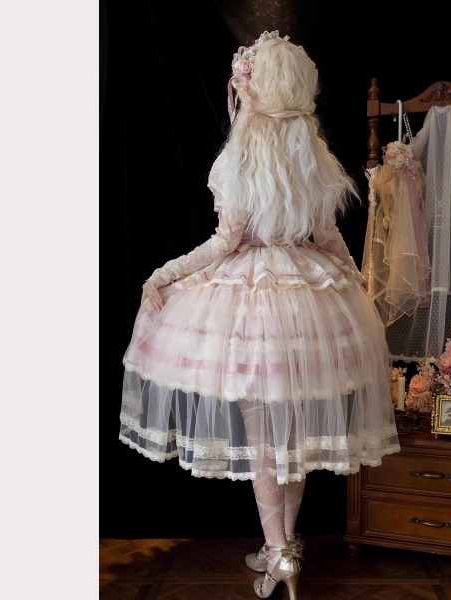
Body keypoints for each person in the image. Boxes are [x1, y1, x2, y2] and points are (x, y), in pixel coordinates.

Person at [118, 30, 401, 599]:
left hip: (250, 309)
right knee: (290, 436)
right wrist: (357, 285)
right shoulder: (315, 158)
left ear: (253, 90)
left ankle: (279, 550)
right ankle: (285, 548)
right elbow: (328, 239)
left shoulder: (239, 158)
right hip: (307, 303)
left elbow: (225, 242)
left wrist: (166, 272)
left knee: (264, 437)